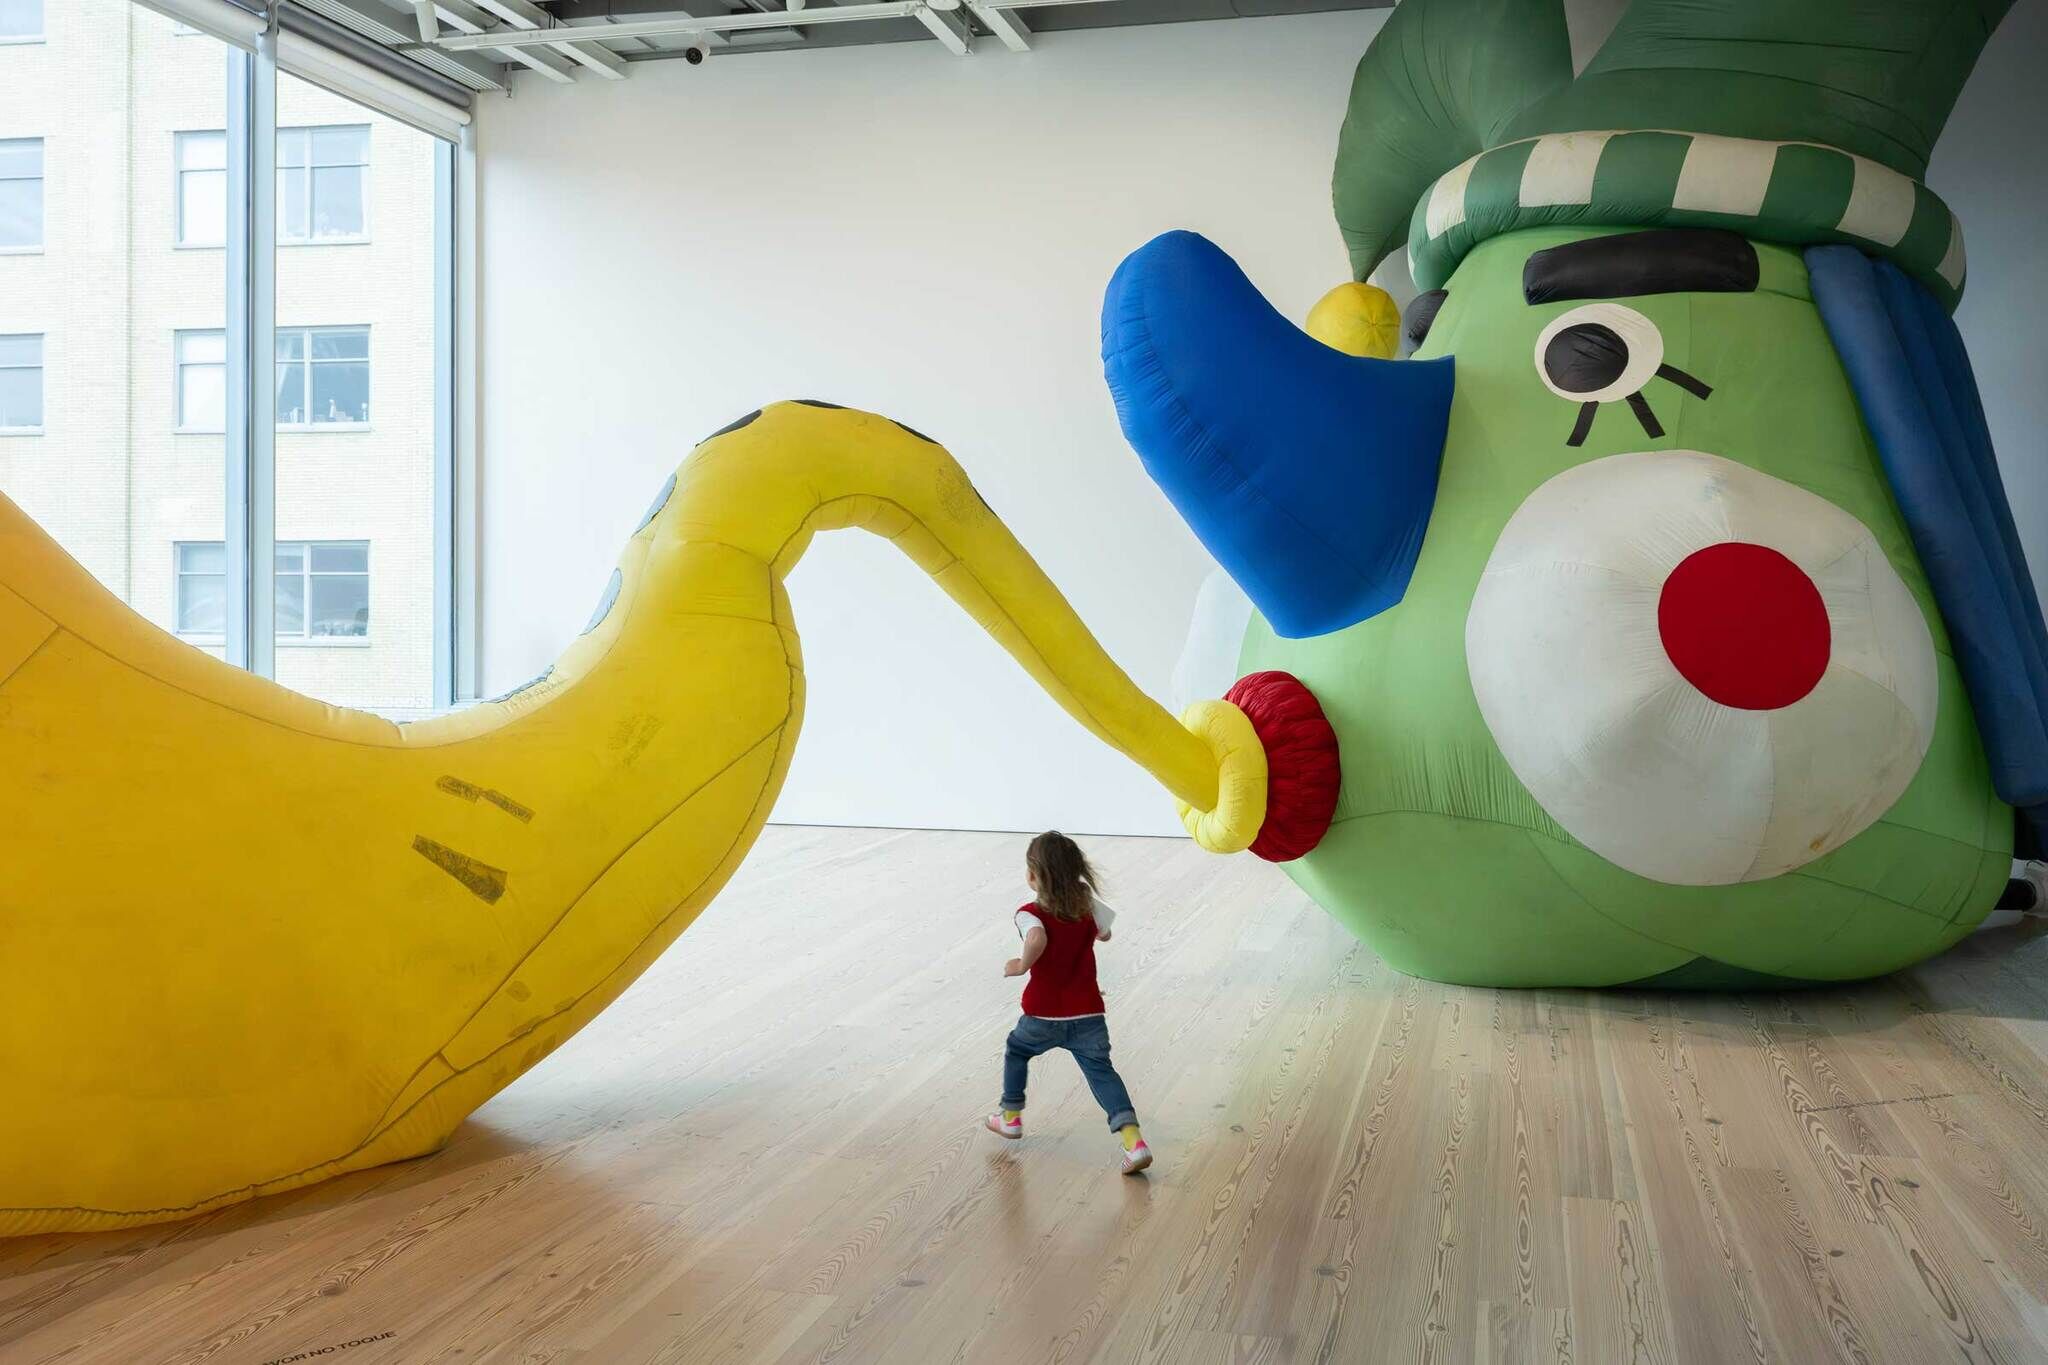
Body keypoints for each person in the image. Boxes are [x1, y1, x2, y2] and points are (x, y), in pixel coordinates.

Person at [986, 830, 1151, 1174]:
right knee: (1102, 1073)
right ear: (1077, 871)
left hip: (1043, 1015)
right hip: (1088, 1013)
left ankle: (1011, 1116)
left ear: (1034, 876)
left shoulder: (1029, 913)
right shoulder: (1087, 904)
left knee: (1017, 1050)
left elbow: (1036, 938)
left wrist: (1021, 965)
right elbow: (1106, 933)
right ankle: (1134, 1142)